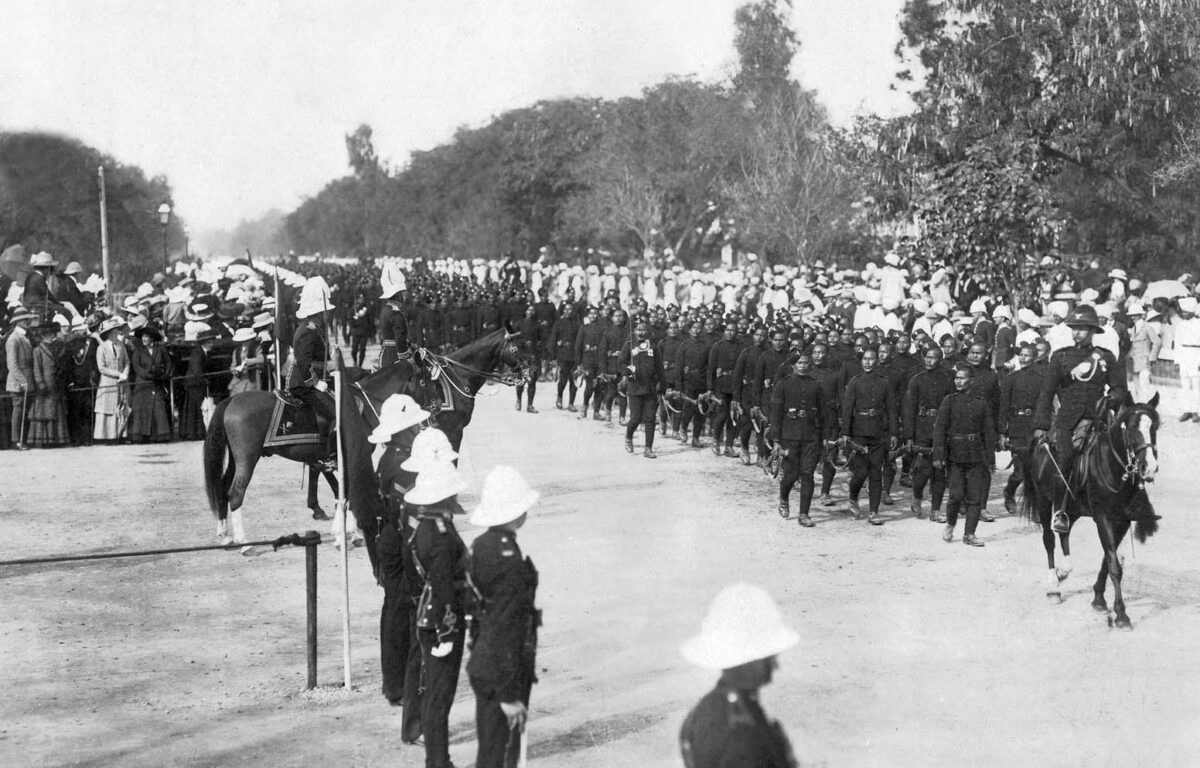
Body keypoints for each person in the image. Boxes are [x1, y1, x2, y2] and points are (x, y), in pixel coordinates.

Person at [466, 466, 542, 768]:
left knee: (490, 748)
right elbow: (506, 627)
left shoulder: (481, 545)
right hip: (502, 670)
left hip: (483, 661)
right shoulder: (508, 560)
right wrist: (509, 695)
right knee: (501, 755)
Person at [679, 583, 800, 768]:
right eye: (769, 657)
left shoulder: (704, 710)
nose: (775, 666)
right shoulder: (743, 732)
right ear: (750, 660)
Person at [1032, 305, 1126, 533]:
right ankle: (1061, 511)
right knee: (1064, 461)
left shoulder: (1106, 357)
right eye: (1074, 328)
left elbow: (1120, 388)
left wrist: (1113, 397)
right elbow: (1047, 393)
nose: (1077, 333)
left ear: (1093, 330)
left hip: (1098, 419)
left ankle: (1130, 504)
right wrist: (1041, 426)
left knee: (1124, 456)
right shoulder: (1061, 357)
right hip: (1068, 421)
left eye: (1082, 329)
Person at [369, 395, 431, 720]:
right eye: (415, 425)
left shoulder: (389, 456)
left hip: (389, 539)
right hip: (401, 538)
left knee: (393, 608)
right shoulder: (403, 460)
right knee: (403, 610)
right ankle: (399, 686)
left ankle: (392, 683)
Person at [406, 461, 469, 768]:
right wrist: (448, 631)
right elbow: (444, 588)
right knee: (439, 696)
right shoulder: (439, 535)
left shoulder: (429, 526)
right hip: (441, 621)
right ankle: (438, 761)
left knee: (436, 693)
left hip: (430, 615)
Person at [934, 363, 997, 546]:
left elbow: (988, 433)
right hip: (955, 455)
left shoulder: (981, 403)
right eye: (956, 378)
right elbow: (939, 429)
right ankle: (951, 524)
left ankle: (969, 534)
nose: (958, 381)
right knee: (955, 496)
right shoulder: (949, 401)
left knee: (975, 497)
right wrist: (938, 456)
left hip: (976, 456)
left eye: (962, 378)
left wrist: (990, 459)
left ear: (972, 381)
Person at [769, 351, 828, 527]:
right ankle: (784, 497)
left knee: (808, 475)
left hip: (811, 436)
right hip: (789, 436)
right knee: (791, 474)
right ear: (793, 365)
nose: (803, 366)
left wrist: (825, 436)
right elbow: (776, 415)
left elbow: (823, 413)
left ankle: (804, 514)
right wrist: (776, 440)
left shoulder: (816, 385)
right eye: (799, 363)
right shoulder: (783, 385)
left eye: (806, 363)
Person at [840, 347, 898, 525]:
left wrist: (894, 433)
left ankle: (874, 512)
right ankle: (853, 497)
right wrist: (845, 433)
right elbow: (848, 409)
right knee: (860, 472)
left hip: (879, 432)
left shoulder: (885, 383)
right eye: (865, 359)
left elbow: (891, 410)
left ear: (877, 361)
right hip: (859, 432)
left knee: (875, 473)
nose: (868, 362)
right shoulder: (855, 382)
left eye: (871, 359)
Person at [288, 277, 338, 468]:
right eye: (326, 311)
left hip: (312, 380)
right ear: (318, 311)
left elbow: (318, 358)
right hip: (303, 384)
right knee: (336, 414)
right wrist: (315, 382)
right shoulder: (309, 331)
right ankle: (329, 456)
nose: (328, 314)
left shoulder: (315, 329)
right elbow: (303, 362)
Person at [998, 343, 1042, 514]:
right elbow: (1003, 408)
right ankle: (1009, 491)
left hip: (1035, 427)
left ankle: (1036, 507)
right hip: (1017, 427)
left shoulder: (1041, 379)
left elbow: (1045, 406)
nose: (1023, 358)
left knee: (1036, 468)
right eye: (1021, 355)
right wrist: (1002, 433)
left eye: (1027, 355)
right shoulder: (1011, 379)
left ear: (1035, 357)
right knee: (1020, 471)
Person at [619, 319, 665, 458]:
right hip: (635, 388)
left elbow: (660, 368)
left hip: (650, 388)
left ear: (647, 332)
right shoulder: (628, 346)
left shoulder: (654, 347)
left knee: (650, 419)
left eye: (643, 329)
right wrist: (627, 370)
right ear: (634, 331)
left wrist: (662, 386)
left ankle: (648, 448)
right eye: (638, 329)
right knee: (636, 418)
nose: (640, 332)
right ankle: (628, 437)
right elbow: (621, 363)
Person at [126, 324, 173, 443]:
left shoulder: (160, 348)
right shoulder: (138, 350)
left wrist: (164, 375)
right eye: (143, 337)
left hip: (157, 383)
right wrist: (148, 376)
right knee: (142, 409)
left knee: (158, 407)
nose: (144, 339)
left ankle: (160, 435)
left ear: (152, 338)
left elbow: (168, 362)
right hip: (143, 384)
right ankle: (141, 436)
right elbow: (136, 366)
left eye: (147, 337)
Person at [93, 316, 130, 443]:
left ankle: (119, 435)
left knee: (119, 408)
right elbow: (101, 368)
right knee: (106, 409)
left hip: (121, 384)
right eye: (113, 331)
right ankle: (105, 436)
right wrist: (117, 374)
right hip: (107, 383)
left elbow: (127, 362)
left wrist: (124, 374)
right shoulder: (101, 348)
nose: (115, 333)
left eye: (116, 331)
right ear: (108, 333)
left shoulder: (121, 346)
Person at [179, 330, 214, 440]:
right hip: (193, 384)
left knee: (198, 408)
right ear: (204, 343)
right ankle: (192, 433)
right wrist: (204, 380)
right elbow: (196, 370)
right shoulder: (197, 352)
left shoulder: (205, 353)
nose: (211, 344)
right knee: (194, 408)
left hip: (198, 384)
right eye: (210, 342)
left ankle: (199, 432)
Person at [548, 303, 580, 411]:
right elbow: (552, 339)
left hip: (574, 355)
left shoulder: (578, 324)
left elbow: (580, 340)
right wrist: (552, 356)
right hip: (562, 355)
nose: (568, 311)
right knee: (563, 379)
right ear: (563, 311)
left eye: (570, 309)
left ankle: (571, 403)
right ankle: (559, 397)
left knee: (574, 380)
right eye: (566, 309)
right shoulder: (558, 323)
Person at [378, 263, 409, 368]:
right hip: (395, 355)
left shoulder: (386, 310)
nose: (405, 295)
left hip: (386, 353)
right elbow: (400, 339)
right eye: (403, 293)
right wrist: (406, 354)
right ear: (397, 294)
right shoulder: (396, 314)